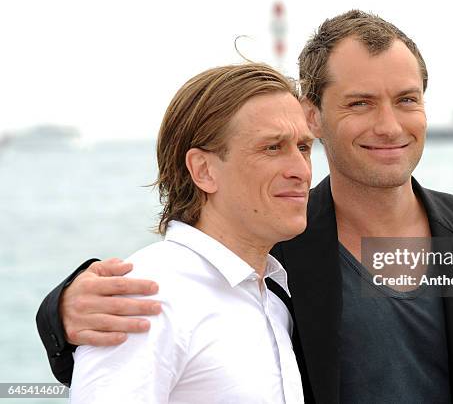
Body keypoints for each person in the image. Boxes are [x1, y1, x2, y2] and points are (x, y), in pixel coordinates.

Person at [37, 10, 453, 403]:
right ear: (313, 116)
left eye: (407, 99)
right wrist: (62, 310)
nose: (390, 126)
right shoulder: (278, 242)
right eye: (360, 103)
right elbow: (163, 311)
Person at [67, 63, 313, 402]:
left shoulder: (272, 300)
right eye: (272, 147)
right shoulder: (146, 299)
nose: (301, 170)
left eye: (303, 147)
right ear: (204, 170)